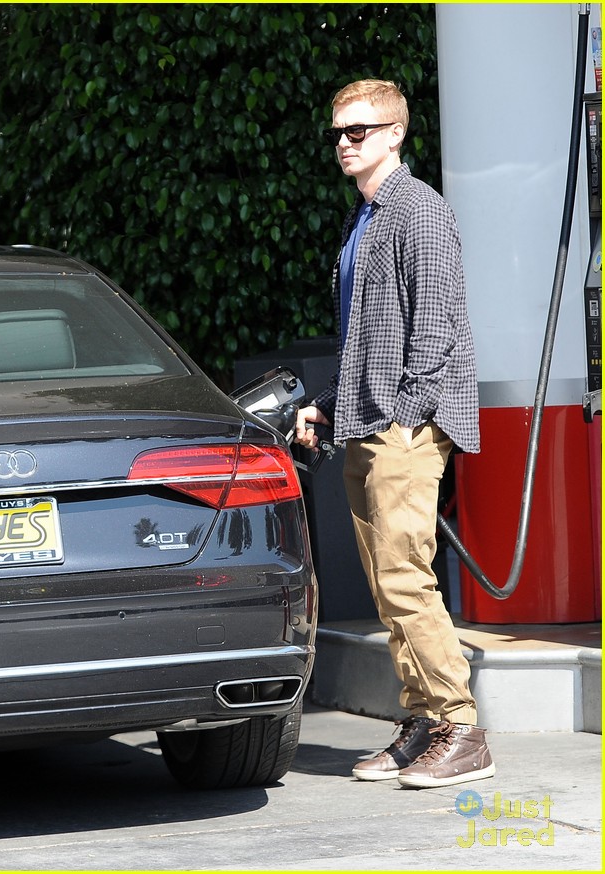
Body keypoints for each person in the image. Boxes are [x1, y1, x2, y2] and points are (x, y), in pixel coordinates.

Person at [294, 79, 494, 789]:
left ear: (396, 134)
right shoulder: (368, 218)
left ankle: (460, 728)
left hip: (404, 425)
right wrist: (327, 403)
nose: (345, 143)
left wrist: (407, 414)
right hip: (369, 418)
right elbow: (366, 340)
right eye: (338, 133)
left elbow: (435, 331)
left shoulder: (420, 212)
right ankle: (422, 724)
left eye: (360, 130)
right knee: (388, 583)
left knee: (406, 578)